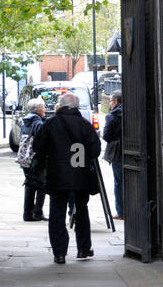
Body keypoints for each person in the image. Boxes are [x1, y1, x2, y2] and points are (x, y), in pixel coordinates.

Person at [34, 92, 101, 263]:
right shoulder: (85, 125)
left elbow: (38, 147)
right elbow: (95, 150)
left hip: (57, 175)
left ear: (61, 105)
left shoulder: (51, 123)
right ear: (76, 106)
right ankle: (83, 249)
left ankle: (59, 253)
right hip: (80, 175)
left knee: (57, 212)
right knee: (81, 211)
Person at [20, 97, 47, 221]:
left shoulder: (26, 121)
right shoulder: (38, 123)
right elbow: (43, 140)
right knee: (42, 185)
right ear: (38, 109)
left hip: (25, 157)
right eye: (43, 107)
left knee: (30, 184)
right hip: (36, 158)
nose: (45, 109)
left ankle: (28, 213)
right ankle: (37, 212)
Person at [102, 90, 123, 220]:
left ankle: (121, 211)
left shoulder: (112, 116)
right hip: (130, 149)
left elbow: (106, 136)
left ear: (115, 101)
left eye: (110, 101)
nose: (109, 103)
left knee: (119, 182)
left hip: (117, 151)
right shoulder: (130, 112)